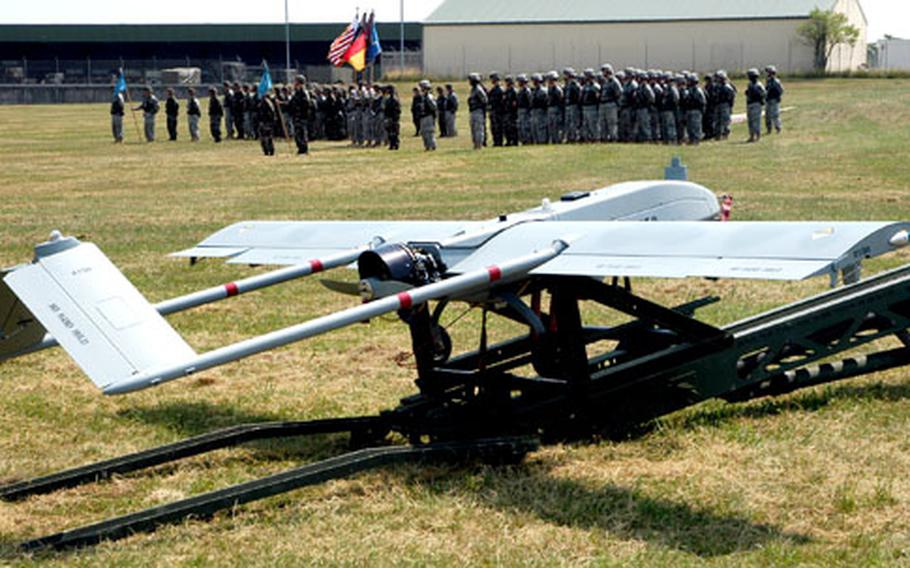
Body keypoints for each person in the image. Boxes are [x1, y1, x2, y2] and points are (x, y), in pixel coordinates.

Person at [289, 75, 311, 155]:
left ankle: (304, 149)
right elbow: (291, 104)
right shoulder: (296, 93)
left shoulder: (304, 93)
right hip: (296, 116)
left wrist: (299, 110)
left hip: (301, 116)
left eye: (295, 82)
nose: (294, 83)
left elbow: (306, 104)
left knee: (302, 133)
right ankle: (300, 148)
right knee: (297, 134)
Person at [599, 64, 622, 142]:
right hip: (603, 104)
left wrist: (618, 105)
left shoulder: (614, 81)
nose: (603, 73)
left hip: (611, 104)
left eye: (604, 71)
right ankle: (604, 137)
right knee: (603, 122)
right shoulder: (605, 81)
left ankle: (613, 138)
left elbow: (619, 93)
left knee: (611, 122)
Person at [684, 73, 706, 145]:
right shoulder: (688, 90)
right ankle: (691, 139)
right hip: (688, 110)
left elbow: (703, 102)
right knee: (689, 126)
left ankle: (696, 140)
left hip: (696, 111)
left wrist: (701, 110)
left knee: (696, 126)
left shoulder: (698, 90)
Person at [745, 68, 766, 143]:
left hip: (756, 104)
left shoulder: (759, 85)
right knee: (750, 121)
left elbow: (763, 94)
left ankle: (757, 135)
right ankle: (751, 136)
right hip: (750, 104)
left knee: (756, 121)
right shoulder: (750, 84)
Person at [467, 73, 487, 150]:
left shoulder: (478, 89)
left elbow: (484, 100)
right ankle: (475, 144)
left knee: (478, 128)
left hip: (478, 111)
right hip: (473, 111)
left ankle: (479, 145)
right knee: (473, 128)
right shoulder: (473, 90)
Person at [658, 73, 679, 145]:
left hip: (670, 110)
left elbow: (676, 99)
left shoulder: (672, 88)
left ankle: (672, 140)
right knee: (665, 126)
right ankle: (666, 140)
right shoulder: (666, 88)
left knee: (670, 126)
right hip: (665, 110)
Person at [714, 70, 736, 141]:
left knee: (725, 121)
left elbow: (731, 98)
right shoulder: (717, 86)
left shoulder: (728, 87)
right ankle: (718, 134)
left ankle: (725, 134)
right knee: (717, 120)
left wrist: (730, 106)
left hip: (725, 105)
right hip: (717, 104)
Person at [580, 68, 600, 143]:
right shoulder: (585, 86)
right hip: (585, 107)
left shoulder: (596, 87)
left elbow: (598, 98)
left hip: (592, 107)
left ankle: (595, 138)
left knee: (593, 124)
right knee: (585, 124)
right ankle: (587, 138)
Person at [416, 80, 437, 151]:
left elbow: (434, 106)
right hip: (422, 116)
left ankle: (432, 145)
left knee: (429, 132)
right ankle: (427, 146)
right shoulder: (422, 97)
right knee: (423, 132)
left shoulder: (429, 96)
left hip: (428, 116)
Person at [562, 68, 581, 144]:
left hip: (574, 106)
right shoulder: (567, 85)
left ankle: (574, 137)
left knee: (574, 123)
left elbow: (578, 96)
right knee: (568, 123)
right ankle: (569, 137)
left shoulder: (575, 85)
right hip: (568, 106)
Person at [545, 71, 564, 144]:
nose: (549, 82)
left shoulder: (558, 90)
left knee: (556, 126)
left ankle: (557, 140)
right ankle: (552, 140)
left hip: (556, 110)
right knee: (551, 126)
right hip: (550, 109)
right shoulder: (549, 89)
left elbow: (560, 101)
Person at [488, 72, 505, 147]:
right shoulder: (493, 90)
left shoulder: (500, 90)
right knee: (493, 127)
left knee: (498, 128)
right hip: (493, 111)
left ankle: (499, 142)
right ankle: (495, 141)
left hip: (499, 111)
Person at [765, 65, 784, 134]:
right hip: (768, 100)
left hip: (774, 100)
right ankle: (769, 128)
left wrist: (777, 97)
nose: (767, 74)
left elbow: (781, 90)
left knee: (775, 115)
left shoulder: (776, 81)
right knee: (767, 115)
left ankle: (778, 127)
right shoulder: (768, 81)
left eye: (768, 73)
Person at [530, 73, 549, 144]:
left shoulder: (543, 91)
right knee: (534, 128)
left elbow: (546, 102)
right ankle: (536, 141)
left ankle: (542, 141)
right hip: (534, 111)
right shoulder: (534, 91)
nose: (533, 82)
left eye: (535, 81)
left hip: (541, 111)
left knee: (541, 128)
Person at [384, 84, 401, 150]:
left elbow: (397, 110)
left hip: (393, 118)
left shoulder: (394, 99)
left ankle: (395, 144)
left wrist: (393, 118)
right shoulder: (389, 99)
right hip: (390, 117)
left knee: (394, 132)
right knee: (390, 132)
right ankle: (392, 144)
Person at [516, 74, 533, 145]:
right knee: (520, 127)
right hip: (520, 111)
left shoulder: (527, 90)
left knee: (526, 127)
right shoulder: (520, 91)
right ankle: (523, 140)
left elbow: (530, 101)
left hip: (525, 111)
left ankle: (528, 141)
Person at [503, 75, 519, 146]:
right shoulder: (506, 91)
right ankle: (508, 140)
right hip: (507, 111)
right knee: (507, 127)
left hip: (512, 112)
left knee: (513, 127)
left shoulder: (514, 91)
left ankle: (514, 141)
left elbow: (515, 102)